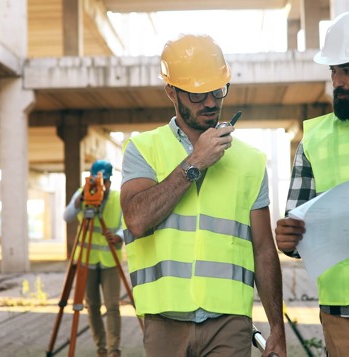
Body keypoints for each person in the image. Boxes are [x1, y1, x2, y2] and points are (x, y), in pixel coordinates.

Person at [120, 33, 286, 357]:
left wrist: (277, 327)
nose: (210, 102)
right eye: (197, 95)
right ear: (171, 91)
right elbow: (136, 220)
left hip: (230, 324)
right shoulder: (142, 149)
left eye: (217, 90)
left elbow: (264, 249)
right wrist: (196, 161)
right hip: (164, 321)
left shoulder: (251, 161)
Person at [275, 12, 349, 357]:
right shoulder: (315, 139)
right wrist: (289, 238)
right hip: (340, 312)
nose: (340, 82)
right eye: (335, 71)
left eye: (348, 70)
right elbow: (296, 231)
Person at [63, 159, 124, 357]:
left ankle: (114, 351)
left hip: (109, 260)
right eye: (98, 181)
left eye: (104, 181)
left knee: (113, 306)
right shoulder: (83, 192)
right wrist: (79, 200)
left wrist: (119, 237)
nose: (101, 186)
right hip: (86, 260)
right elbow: (67, 216)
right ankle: (101, 349)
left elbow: (127, 224)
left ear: (110, 182)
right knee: (92, 306)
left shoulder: (117, 198)